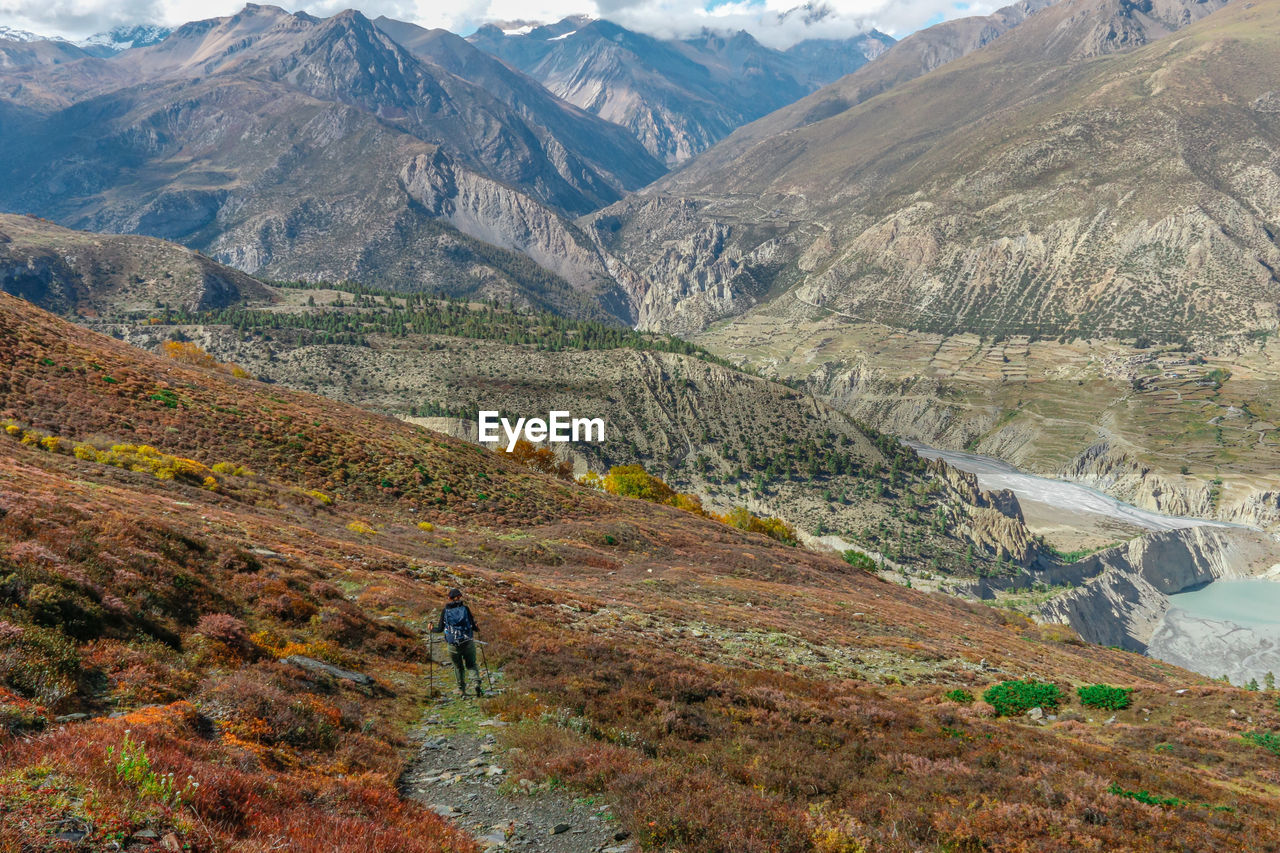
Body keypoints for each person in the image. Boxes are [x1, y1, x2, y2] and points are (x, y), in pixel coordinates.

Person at [432, 588, 482, 697]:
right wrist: (477, 628)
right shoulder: (465, 609)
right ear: (459, 597)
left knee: (458, 667)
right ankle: (476, 683)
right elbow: (473, 626)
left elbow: (440, 629)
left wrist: (431, 629)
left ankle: (461, 690)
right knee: (471, 664)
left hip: (453, 644)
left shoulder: (445, 611)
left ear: (449, 598)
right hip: (467, 641)